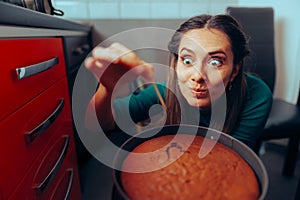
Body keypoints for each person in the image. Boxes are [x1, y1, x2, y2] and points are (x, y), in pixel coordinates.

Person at [84, 14, 273, 150]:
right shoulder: (165, 91)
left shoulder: (256, 96)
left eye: (215, 62)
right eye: (188, 60)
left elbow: (232, 160)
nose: (197, 76)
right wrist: (107, 88)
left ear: (234, 70)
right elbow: (96, 124)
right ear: (176, 64)